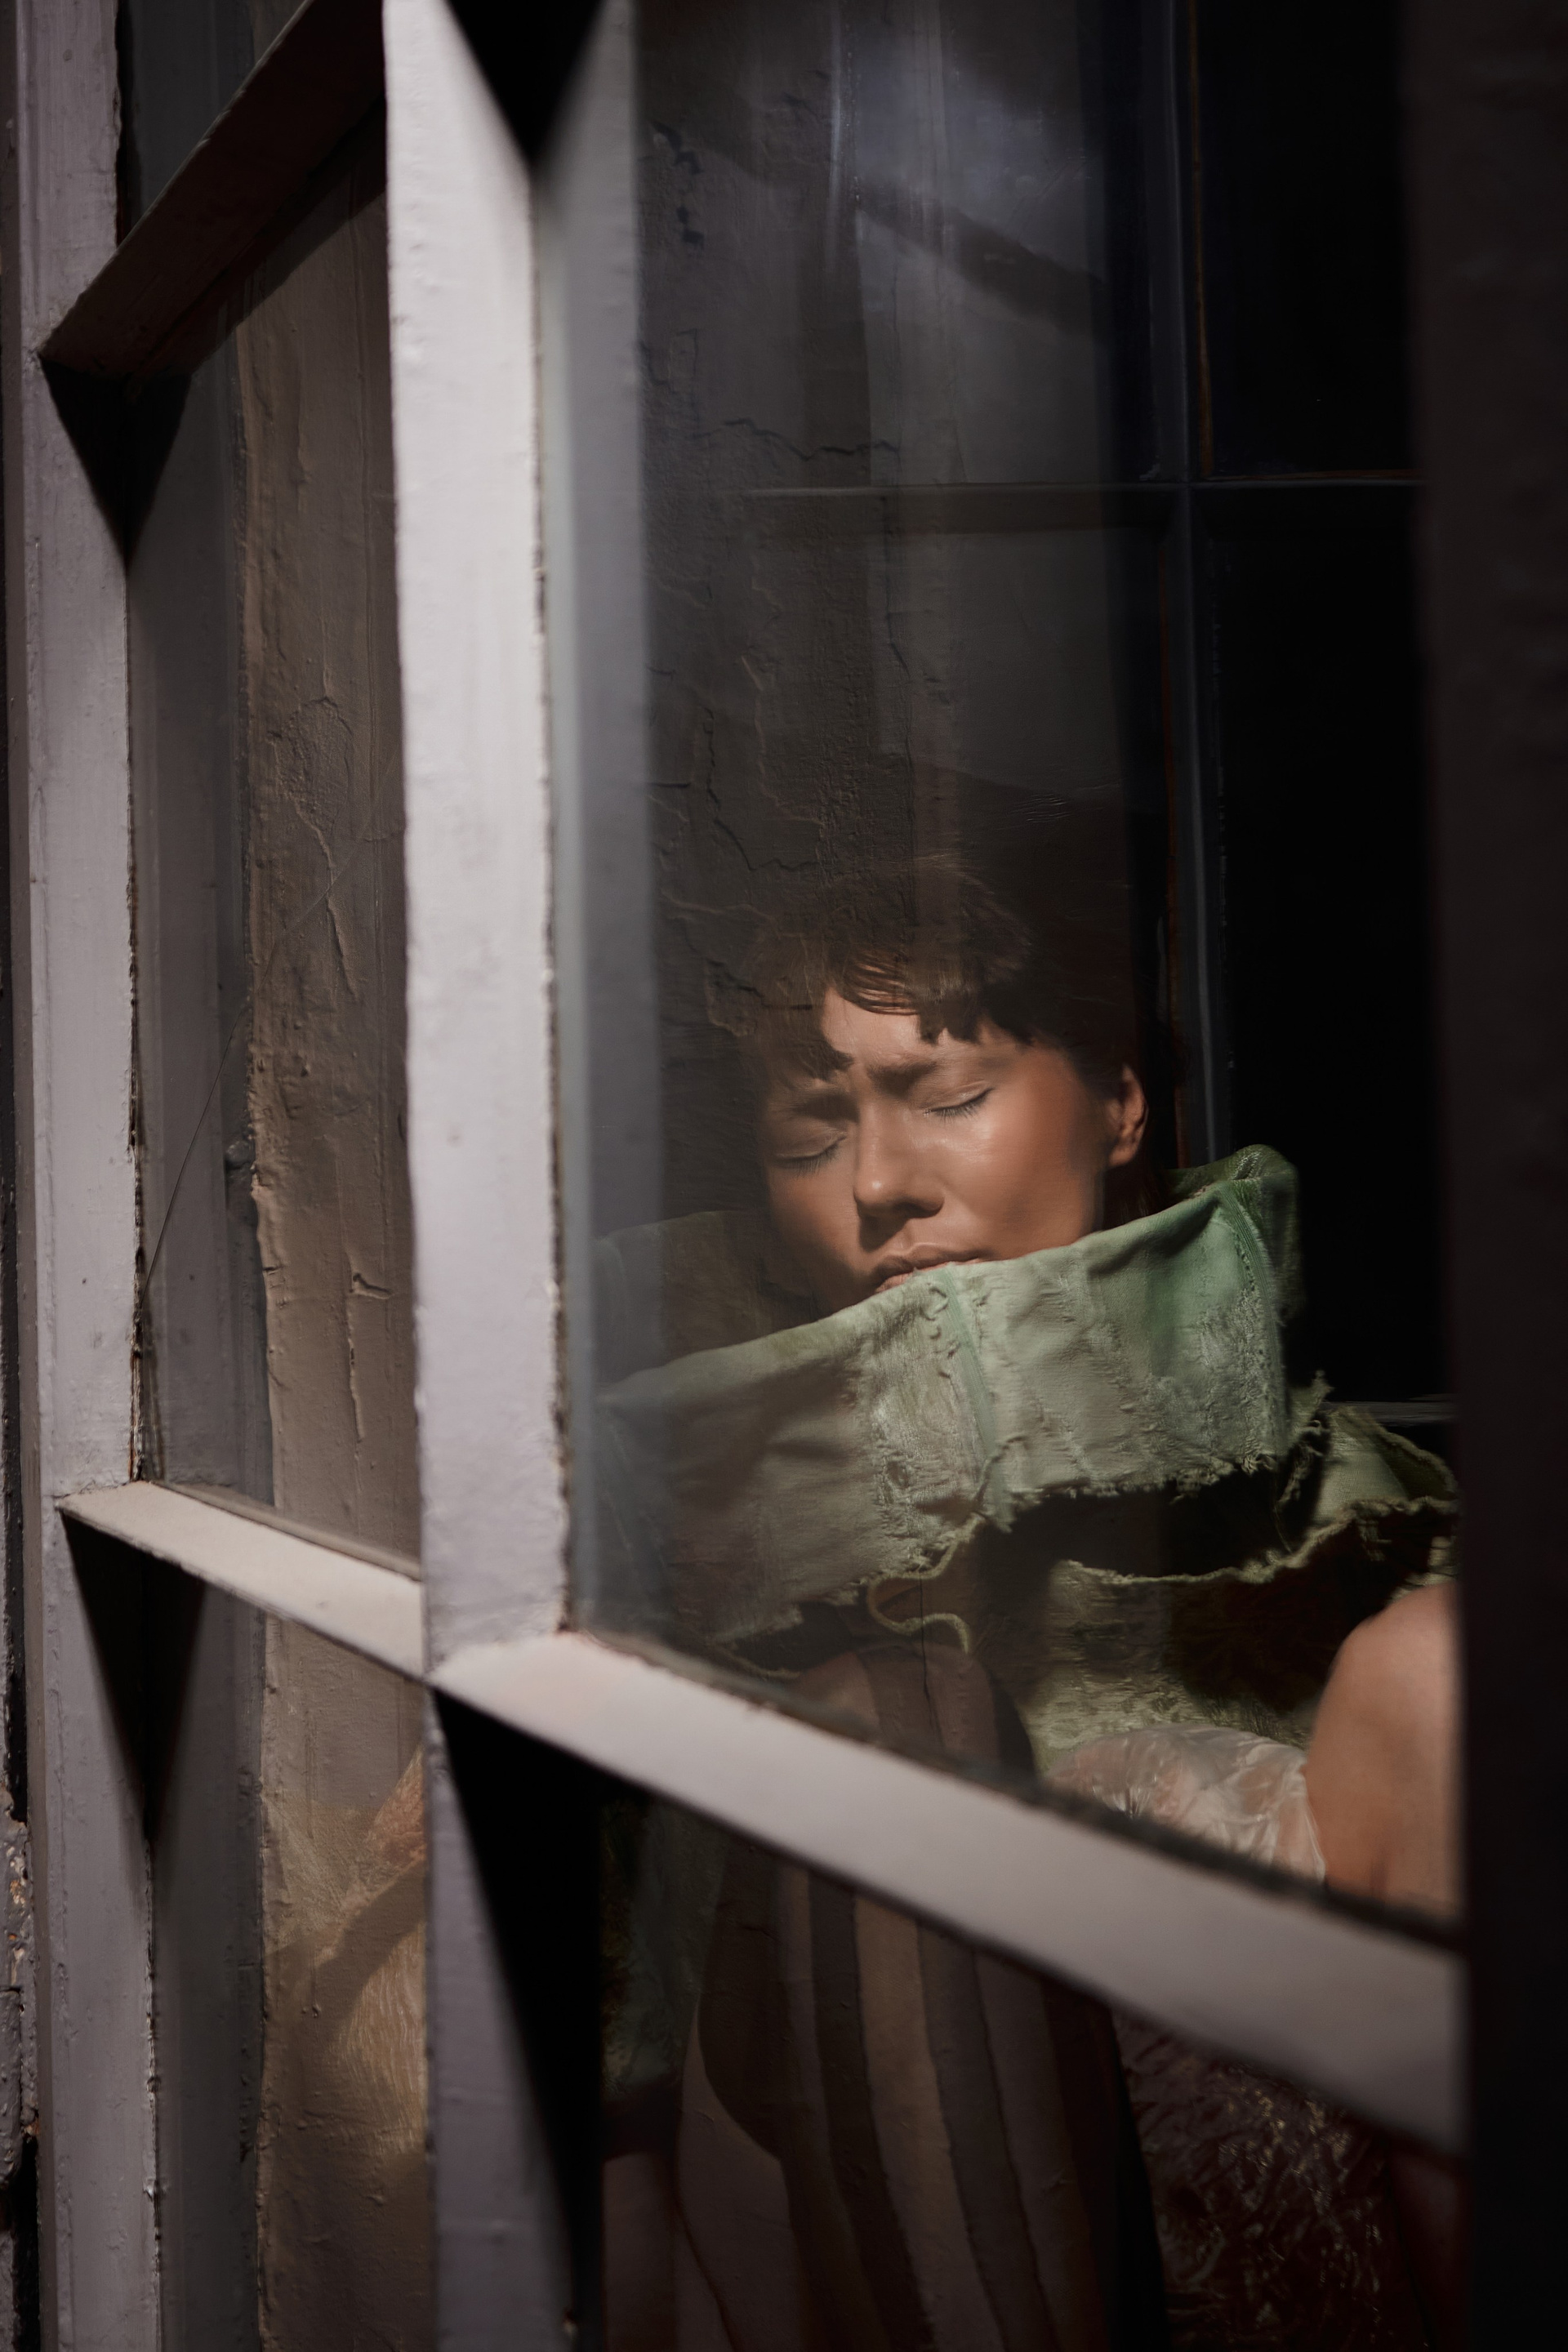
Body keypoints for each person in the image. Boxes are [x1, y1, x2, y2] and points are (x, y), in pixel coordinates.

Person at [597, 855, 1459, 2350]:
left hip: (1292, 2241)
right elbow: (631, 2102)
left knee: (1442, 1672)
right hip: (817, 2230)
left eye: (948, 1097)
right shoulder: (663, 1515)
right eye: (812, 1132)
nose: (880, 1183)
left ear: (1121, 1106)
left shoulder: (1350, 1523)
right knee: (885, 1728)